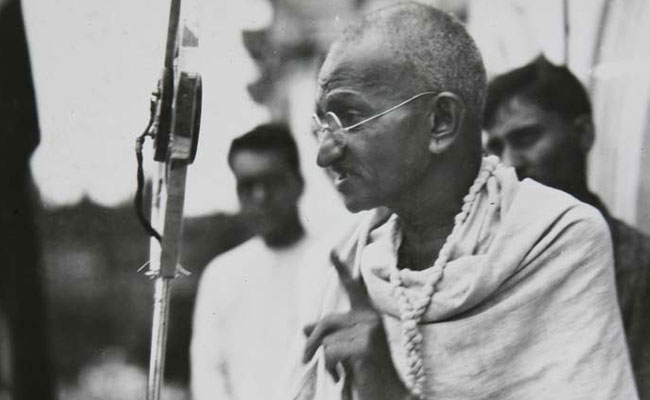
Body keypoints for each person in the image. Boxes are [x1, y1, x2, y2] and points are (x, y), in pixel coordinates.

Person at [291, 3, 638, 400]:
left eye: (350, 118)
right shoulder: (346, 260)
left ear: (440, 122)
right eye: (323, 125)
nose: (325, 154)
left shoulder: (557, 237)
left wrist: (389, 390)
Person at [483, 56, 650, 399]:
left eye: (526, 137)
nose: (509, 164)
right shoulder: (487, 267)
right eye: (496, 148)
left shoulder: (639, 268)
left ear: (583, 134)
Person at [190, 123, 333, 400]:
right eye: (247, 186)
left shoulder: (331, 262)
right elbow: (208, 376)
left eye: (273, 182)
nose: (261, 197)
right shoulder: (221, 275)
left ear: (299, 183)